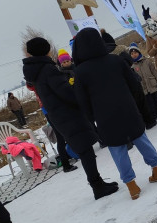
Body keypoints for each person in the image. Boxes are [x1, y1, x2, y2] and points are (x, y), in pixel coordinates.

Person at [72, 27, 157, 201]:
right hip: (128, 109)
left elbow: (82, 101)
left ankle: (132, 187)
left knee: (118, 151)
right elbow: (134, 85)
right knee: (142, 140)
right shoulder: (115, 60)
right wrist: (135, 104)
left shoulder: (80, 72)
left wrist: (92, 118)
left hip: (105, 118)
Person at [22, 37, 118, 200]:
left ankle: (98, 182)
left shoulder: (36, 70)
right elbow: (65, 92)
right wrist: (79, 92)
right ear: (46, 50)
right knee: (86, 150)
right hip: (68, 114)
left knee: (84, 149)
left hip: (58, 115)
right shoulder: (47, 69)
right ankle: (97, 186)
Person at [128, 42, 157, 122]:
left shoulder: (146, 61)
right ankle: (153, 115)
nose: (134, 55)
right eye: (132, 54)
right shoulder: (133, 66)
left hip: (152, 84)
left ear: (139, 52)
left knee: (156, 100)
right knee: (149, 103)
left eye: (135, 53)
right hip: (143, 88)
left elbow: (154, 71)